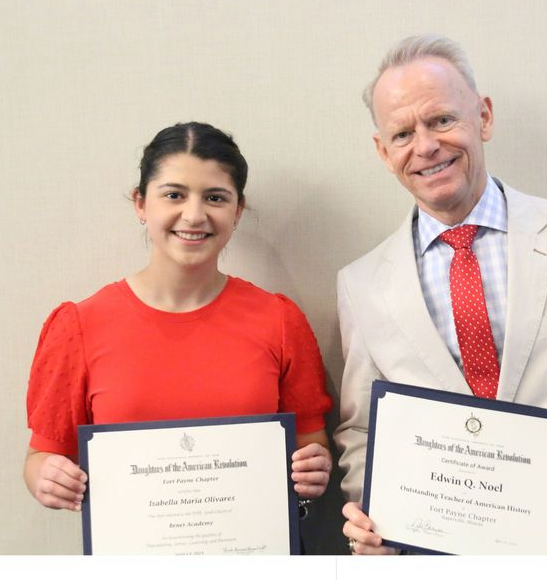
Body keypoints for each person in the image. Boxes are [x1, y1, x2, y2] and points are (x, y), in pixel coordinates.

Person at [333, 35, 547, 555]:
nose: (425, 146)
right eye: (403, 133)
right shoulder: (360, 284)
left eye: (442, 120)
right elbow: (363, 431)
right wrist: (376, 519)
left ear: (484, 117)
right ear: (383, 152)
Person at [24, 122, 333, 518]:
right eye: (174, 195)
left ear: (238, 211)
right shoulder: (79, 327)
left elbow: (311, 444)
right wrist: (47, 478)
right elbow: (40, 457)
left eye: (216, 198)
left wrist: (313, 470)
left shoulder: (280, 321)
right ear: (141, 203)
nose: (194, 215)